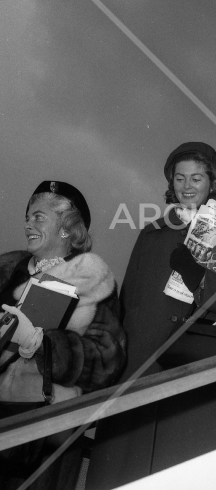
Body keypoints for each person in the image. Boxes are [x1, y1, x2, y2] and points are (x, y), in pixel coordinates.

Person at [87, 142, 216, 489]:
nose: (187, 185)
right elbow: (127, 303)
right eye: (179, 178)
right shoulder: (151, 234)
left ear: (212, 183)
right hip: (141, 366)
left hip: (193, 369)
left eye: (197, 177)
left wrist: (200, 278)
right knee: (123, 470)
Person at [0, 181, 125, 490]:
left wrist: (42, 343)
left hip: (42, 436)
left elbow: (106, 362)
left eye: (39, 216)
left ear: (68, 228)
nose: (28, 223)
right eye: (28, 216)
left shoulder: (92, 277)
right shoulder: (6, 268)